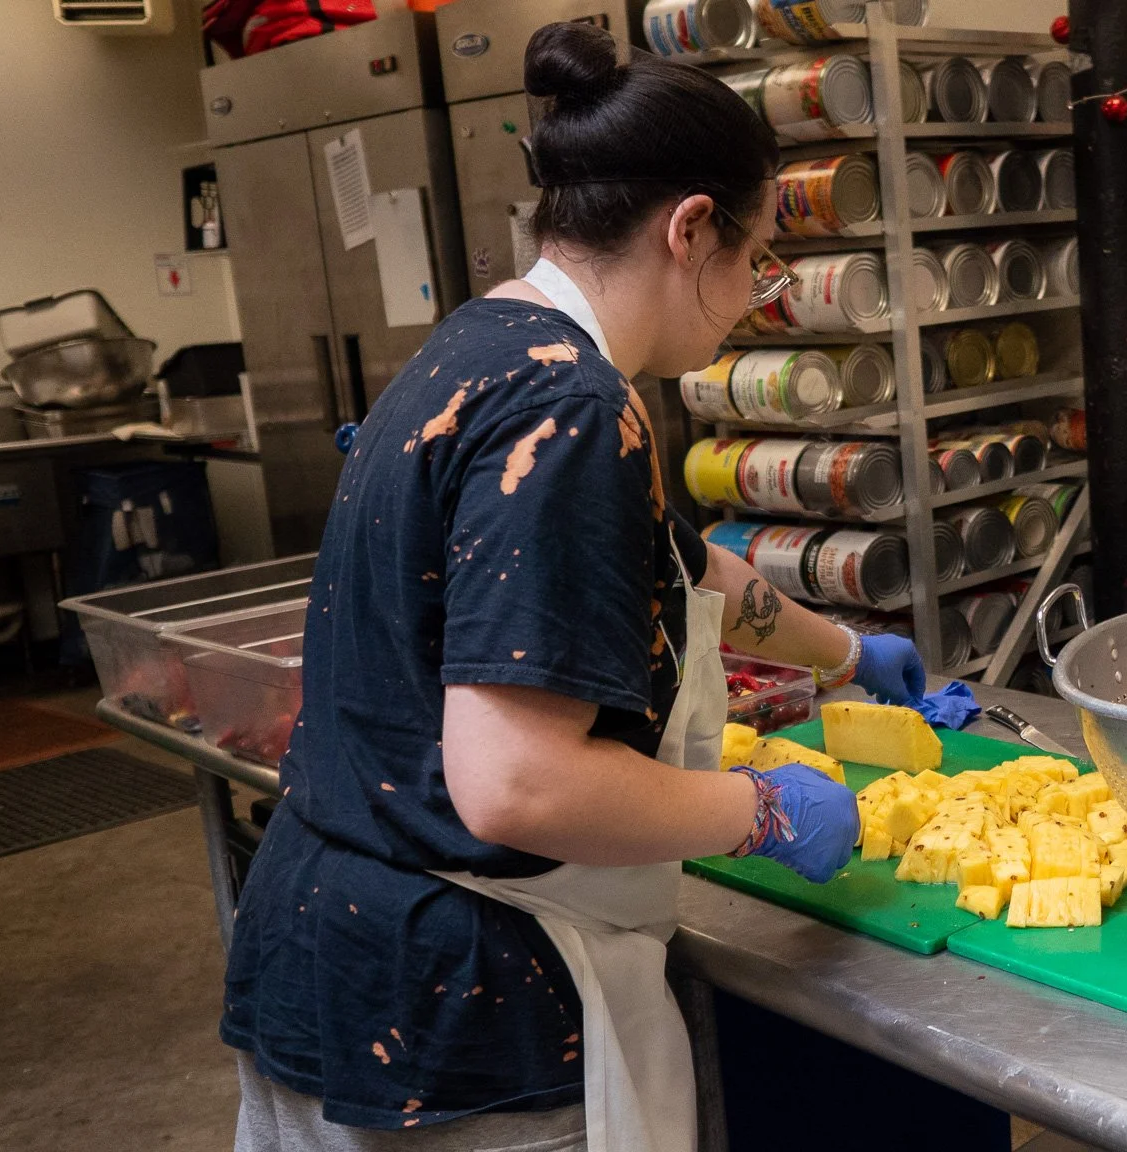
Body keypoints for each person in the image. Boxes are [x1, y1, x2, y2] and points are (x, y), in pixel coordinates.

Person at [220, 22, 925, 1151]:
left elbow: (676, 563)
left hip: (331, 947)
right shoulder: (571, 409)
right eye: (752, 261)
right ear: (689, 227)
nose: (750, 296)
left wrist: (840, 653)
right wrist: (763, 810)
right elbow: (518, 785)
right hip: (458, 1006)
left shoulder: (483, 343)